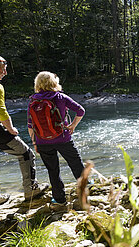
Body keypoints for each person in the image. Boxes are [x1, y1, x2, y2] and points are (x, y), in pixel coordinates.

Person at [0, 53, 49, 210]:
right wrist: (11, 128)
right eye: (3, 67)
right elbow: (1, 111)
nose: (5, 72)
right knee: (26, 153)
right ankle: (31, 190)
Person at [27, 71, 86, 210]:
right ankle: (84, 190)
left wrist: (35, 143)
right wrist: (72, 126)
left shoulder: (33, 101)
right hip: (63, 138)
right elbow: (81, 111)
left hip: (42, 142)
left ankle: (59, 199)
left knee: (53, 170)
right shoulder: (60, 97)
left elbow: (30, 126)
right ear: (54, 83)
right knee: (75, 162)